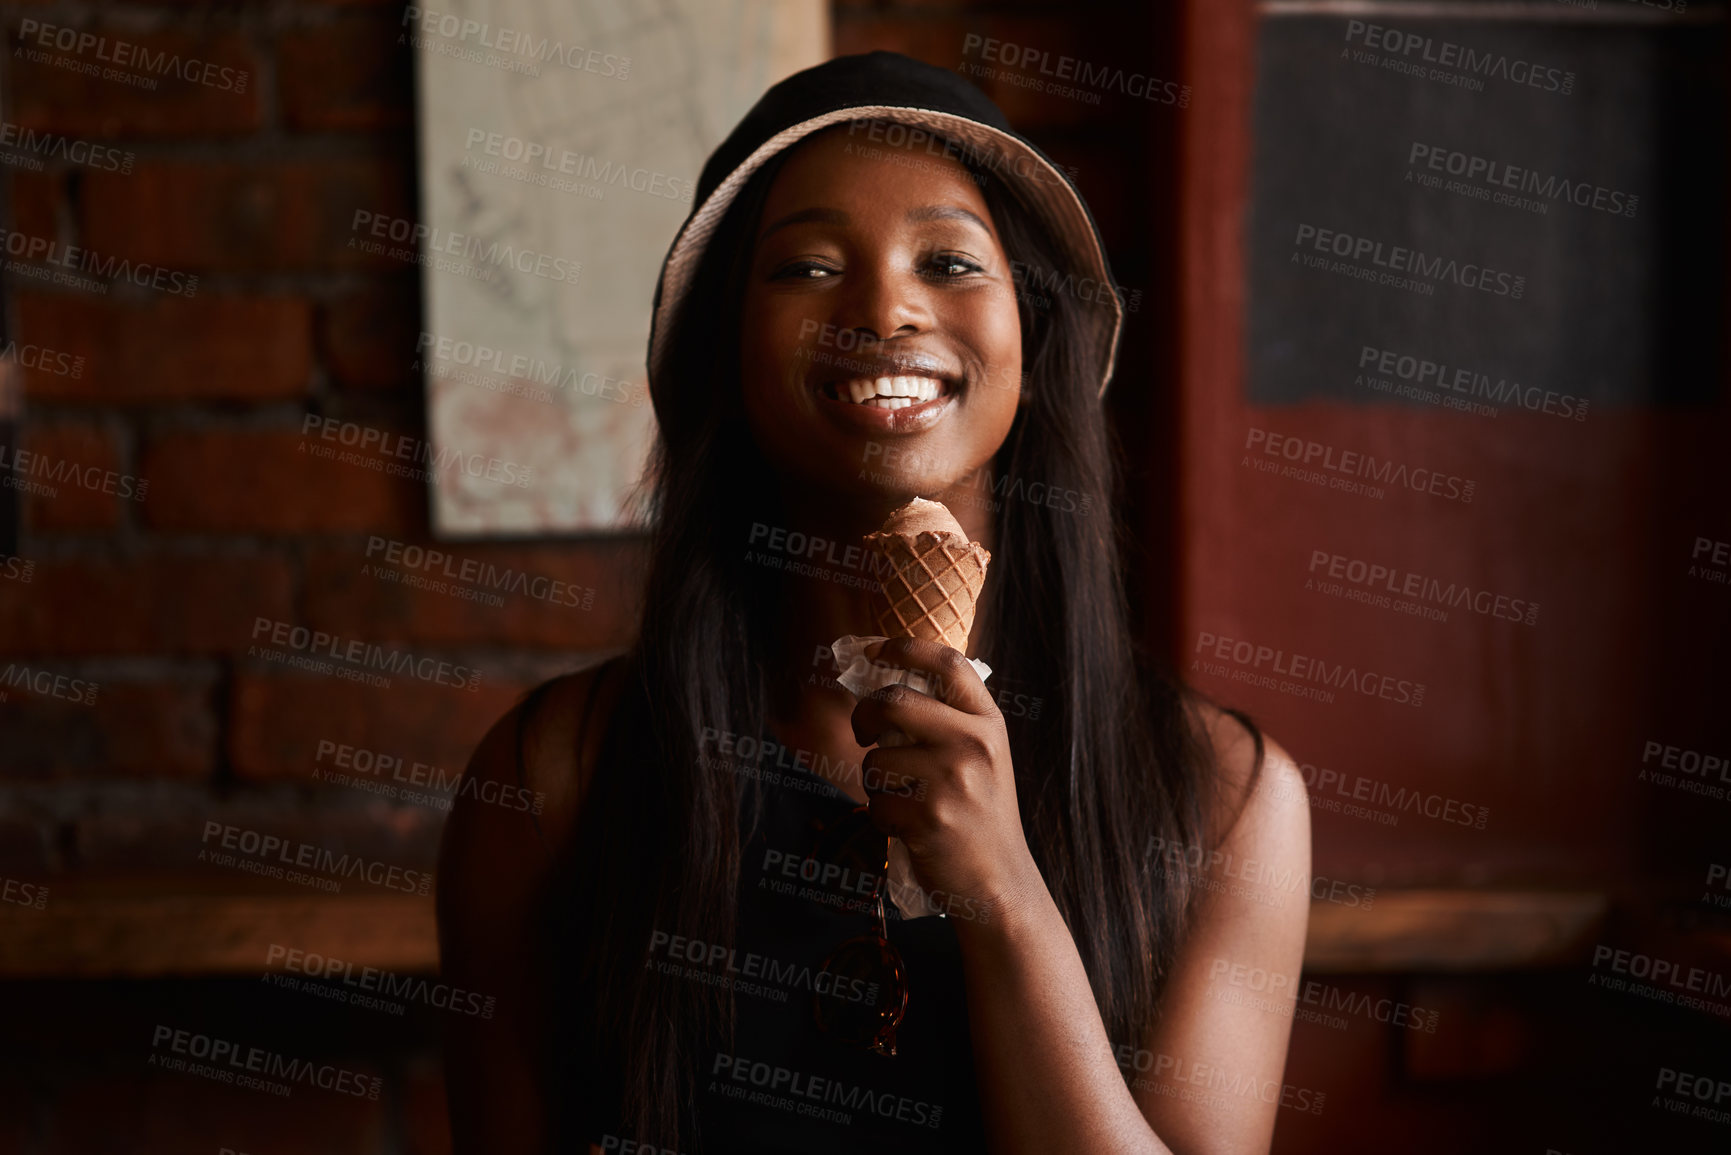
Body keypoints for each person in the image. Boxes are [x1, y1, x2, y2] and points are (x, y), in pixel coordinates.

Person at [438, 51, 1309, 1155]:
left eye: (948, 260)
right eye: (803, 269)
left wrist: (1002, 898)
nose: (885, 306)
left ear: (1035, 344)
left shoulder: (1226, 800)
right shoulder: (551, 778)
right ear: (728, 359)